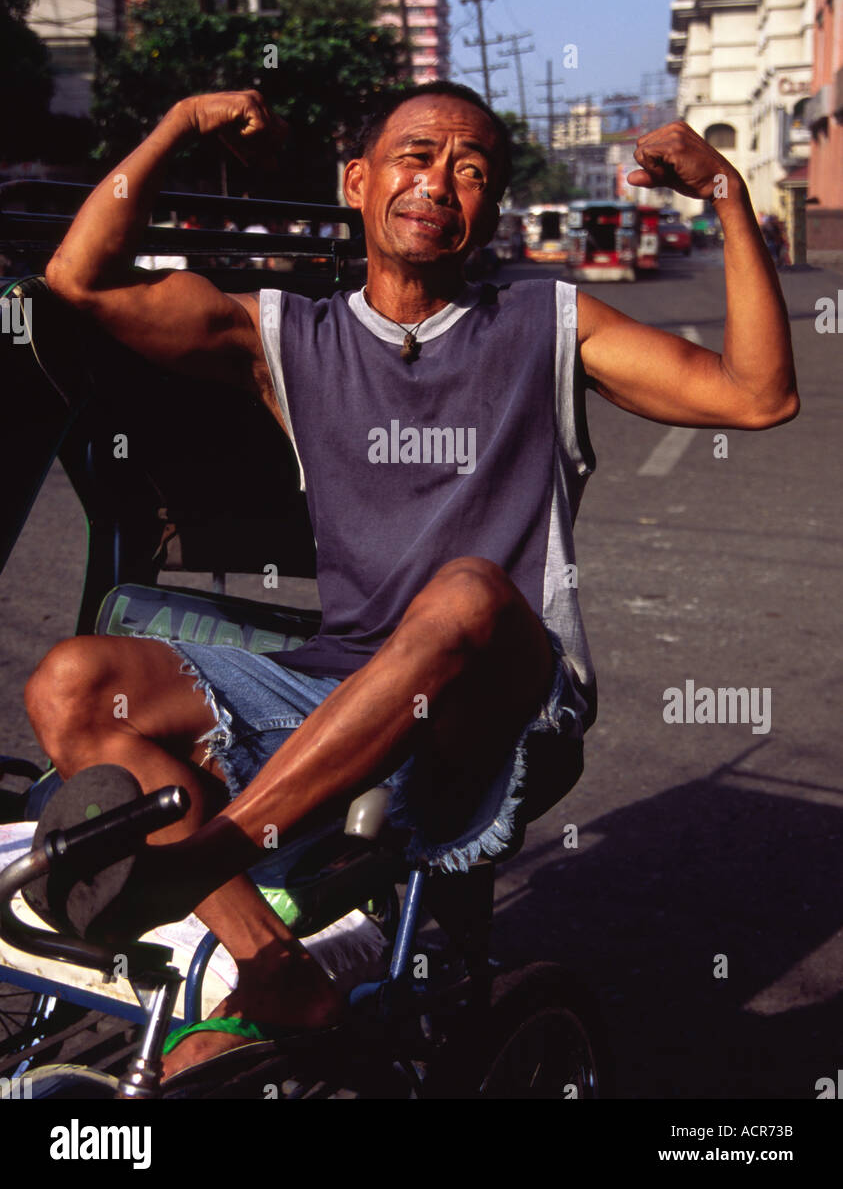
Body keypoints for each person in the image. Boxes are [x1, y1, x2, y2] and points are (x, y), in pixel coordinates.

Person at [26, 83, 799, 1080]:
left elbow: (760, 393)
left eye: (473, 171)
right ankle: (269, 963)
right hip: (348, 683)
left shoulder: (549, 322)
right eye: (417, 156)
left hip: (511, 694)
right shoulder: (285, 337)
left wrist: (729, 193)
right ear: (358, 183)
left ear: (489, 212)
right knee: (70, 680)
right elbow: (75, 281)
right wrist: (179, 122)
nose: (441, 181)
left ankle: (214, 853)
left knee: (468, 592)